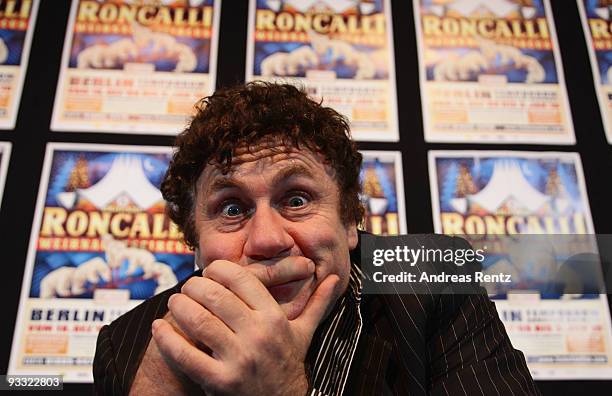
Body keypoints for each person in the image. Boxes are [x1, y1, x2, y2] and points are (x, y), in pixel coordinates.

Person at [93, 82, 539, 395]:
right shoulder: (127, 345)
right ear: (195, 243)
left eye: (297, 199)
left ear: (350, 222)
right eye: (232, 209)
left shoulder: (431, 276)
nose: (267, 240)